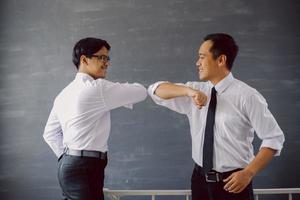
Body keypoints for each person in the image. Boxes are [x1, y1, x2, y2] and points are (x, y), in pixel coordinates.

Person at [148, 33, 284, 200]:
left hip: (233, 183)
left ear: (221, 60)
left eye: (202, 57)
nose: (197, 63)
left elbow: (274, 138)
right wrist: (190, 92)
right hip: (199, 180)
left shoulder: (248, 96)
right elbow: (154, 90)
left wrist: (248, 172)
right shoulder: (195, 91)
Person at [43, 37, 147, 200]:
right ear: (84, 59)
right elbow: (140, 92)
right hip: (85, 167)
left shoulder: (64, 93)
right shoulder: (97, 88)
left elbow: (49, 133)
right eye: (102, 57)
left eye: (108, 58)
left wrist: (68, 158)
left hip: (72, 165)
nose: (107, 63)